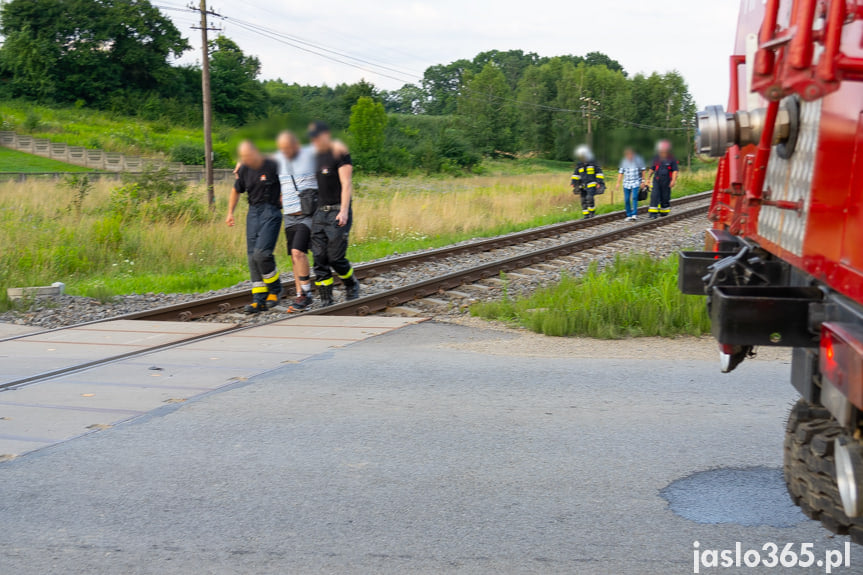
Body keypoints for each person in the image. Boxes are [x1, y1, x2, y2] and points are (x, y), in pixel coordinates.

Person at [226, 140, 283, 314]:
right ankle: (259, 299)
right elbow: (236, 190)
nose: (245, 160)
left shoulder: (273, 164)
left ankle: (275, 289)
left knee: (262, 254)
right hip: (253, 212)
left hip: (271, 210)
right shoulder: (244, 169)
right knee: (252, 257)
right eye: (242, 157)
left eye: (248, 156)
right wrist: (230, 213)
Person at [308, 121, 360, 307]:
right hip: (320, 213)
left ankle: (351, 284)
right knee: (319, 258)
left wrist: (344, 211)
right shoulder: (314, 156)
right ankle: (326, 299)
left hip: (338, 211)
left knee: (335, 257)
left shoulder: (339, 153)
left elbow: (346, 184)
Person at [275, 131, 318, 313]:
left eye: (287, 148)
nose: (284, 152)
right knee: (294, 257)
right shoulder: (279, 160)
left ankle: (307, 295)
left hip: (307, 214)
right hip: (289, 215)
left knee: (298, 252)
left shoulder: (311, 155)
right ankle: (300, 292)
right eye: (282, 149)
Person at [571, 144, 605, 219]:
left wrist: (598, 182)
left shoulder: (593, 163)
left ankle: (592, 213)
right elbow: (576, 174)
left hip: (591, 183)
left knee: (589, 198)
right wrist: (573, 182)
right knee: (583, 200)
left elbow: (599, 173)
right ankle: (586, 215)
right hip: (582, 185)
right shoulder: (579, 164)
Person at [647, 140, 679, 219]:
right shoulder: (656, 158)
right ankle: (653, 214)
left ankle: (664, 212)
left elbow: (675, 170)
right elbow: (652, 169)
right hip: (657, 180)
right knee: (654, 195)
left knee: (665, 196)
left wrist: (673, 180)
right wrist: (648, 179)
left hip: (667, 180)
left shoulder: (672, 159)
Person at [615, 147, 646, 222]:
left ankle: (634, 214)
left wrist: (643, 181)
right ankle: (629, 215)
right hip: (626, 183)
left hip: (635, 182)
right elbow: (620, 173)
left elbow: (643, 170)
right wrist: (618, 183)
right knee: (626, 199)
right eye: (627, 155)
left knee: (634, 197)